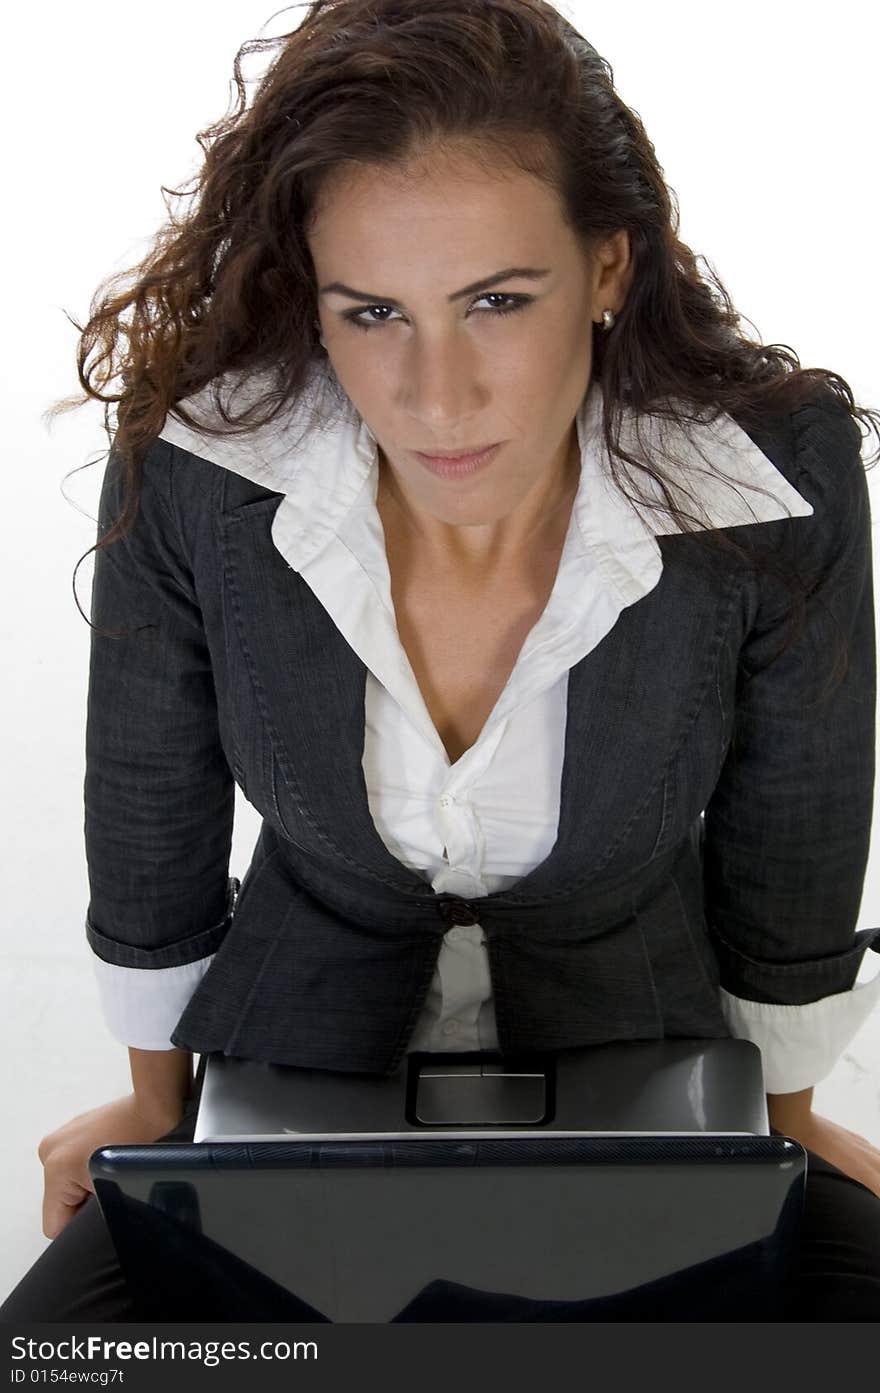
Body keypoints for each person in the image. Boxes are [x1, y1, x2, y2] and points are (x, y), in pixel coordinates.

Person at [3, 0, 880, 1322]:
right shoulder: (199, 469)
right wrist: (156, 1107)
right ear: (314, 294)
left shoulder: (769, 475)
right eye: (372, 312)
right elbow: (148, 803)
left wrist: (784, 1121)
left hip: (638, 1053)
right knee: (68, 1353)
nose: (435, 393)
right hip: (295, 1062)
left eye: (496, 301)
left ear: (607, 269)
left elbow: (795, 830)